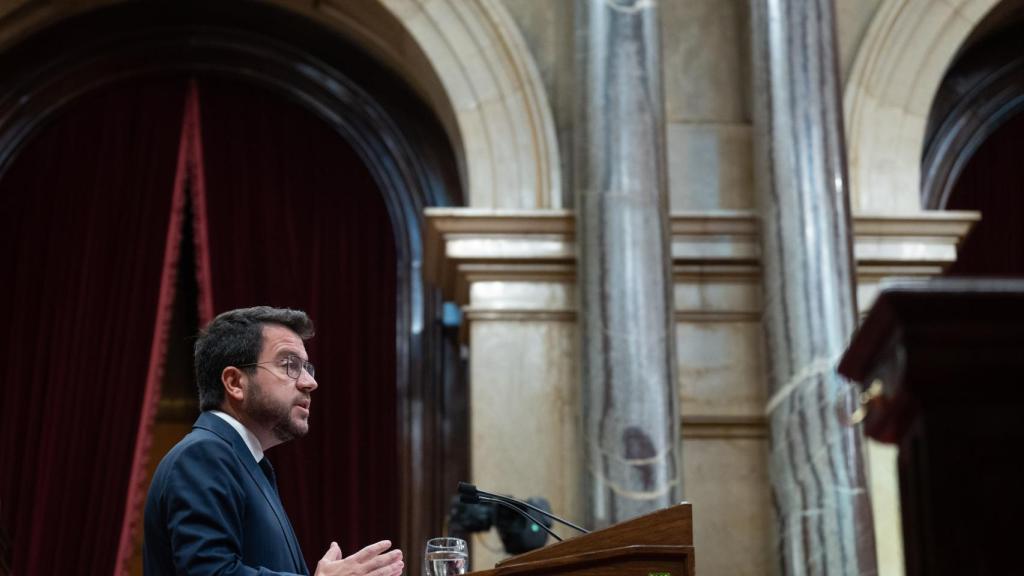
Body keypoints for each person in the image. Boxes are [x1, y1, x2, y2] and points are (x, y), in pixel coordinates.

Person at [143, 306, 404, 576]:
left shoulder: (247, 461)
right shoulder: (203, 455)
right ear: (234, 382)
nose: (309, 382)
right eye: (289, 365)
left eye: (306, 368)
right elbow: (212, 572)